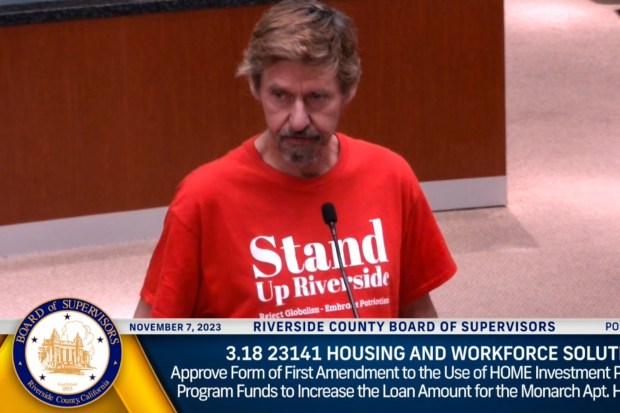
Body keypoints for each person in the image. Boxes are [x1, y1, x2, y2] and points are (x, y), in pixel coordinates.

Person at [134, 0, 456, 319]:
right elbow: (149, 341)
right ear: (254, 86)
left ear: (349, 91)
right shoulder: (202, 199)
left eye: (317, 97)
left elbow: (417, 313)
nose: (298, 120)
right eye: (281, 96)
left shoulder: (390, 175)